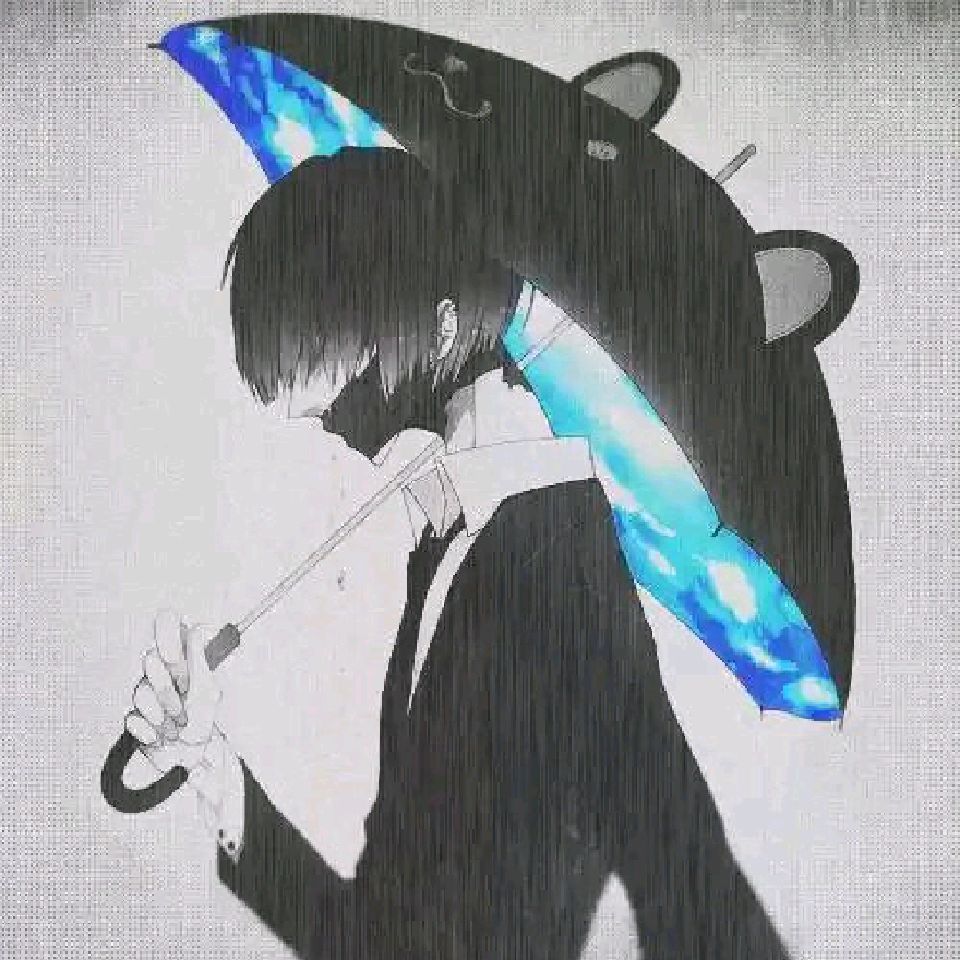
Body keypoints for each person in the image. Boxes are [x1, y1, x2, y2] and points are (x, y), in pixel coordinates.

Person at [122, 147, 793, 959]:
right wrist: (211, 768)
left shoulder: (550, 576)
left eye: (337, 372)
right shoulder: (453, 552)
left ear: (442, 332)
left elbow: (682, 886)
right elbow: (390, 932)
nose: (322, 417)